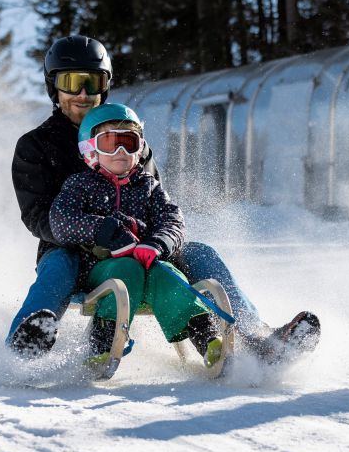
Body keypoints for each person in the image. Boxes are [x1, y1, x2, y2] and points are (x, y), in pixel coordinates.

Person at [7, 34, 319, 361]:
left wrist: (156, 242)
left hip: (138, 251)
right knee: (58, 262)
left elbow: (156, 203)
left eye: (93, 81)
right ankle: (29, 337)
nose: (83, 93)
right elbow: (39, 217)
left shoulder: (131, 143)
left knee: (199, 252)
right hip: (74, 252)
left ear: (106, 85)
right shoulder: (35, 146)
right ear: (53, 86)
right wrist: (95, 232)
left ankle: (257, 337)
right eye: (72, 82)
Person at [48, 104, 221, 378]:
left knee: (173, 278)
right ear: (90, 149)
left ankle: (209, 340)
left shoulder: (149, 186)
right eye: (110, 143)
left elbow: (172, 221)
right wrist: (104, 231)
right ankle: (101, 346)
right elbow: (61, 221)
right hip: (103, 267)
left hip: (150, 264)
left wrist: (157, 244)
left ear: (140, 148)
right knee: (125, 273)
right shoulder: (80, 185)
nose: (121, 153)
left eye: (128, 143)